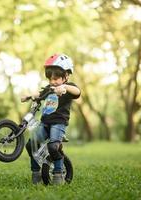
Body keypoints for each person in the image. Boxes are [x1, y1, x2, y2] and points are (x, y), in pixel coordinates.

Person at [24, 53, 81, 185]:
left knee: (54, 147)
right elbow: (39, 94)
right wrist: (29, 96)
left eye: (56, 79)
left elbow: (77, 92)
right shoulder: (50, 88)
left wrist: (64, 87)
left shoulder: (68, 88)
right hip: (45, 123)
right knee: (31, 145)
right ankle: (36, 172)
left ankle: (58, 173)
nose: (52, 82)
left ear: (66, 75)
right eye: (50, 79)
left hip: (58, 123)